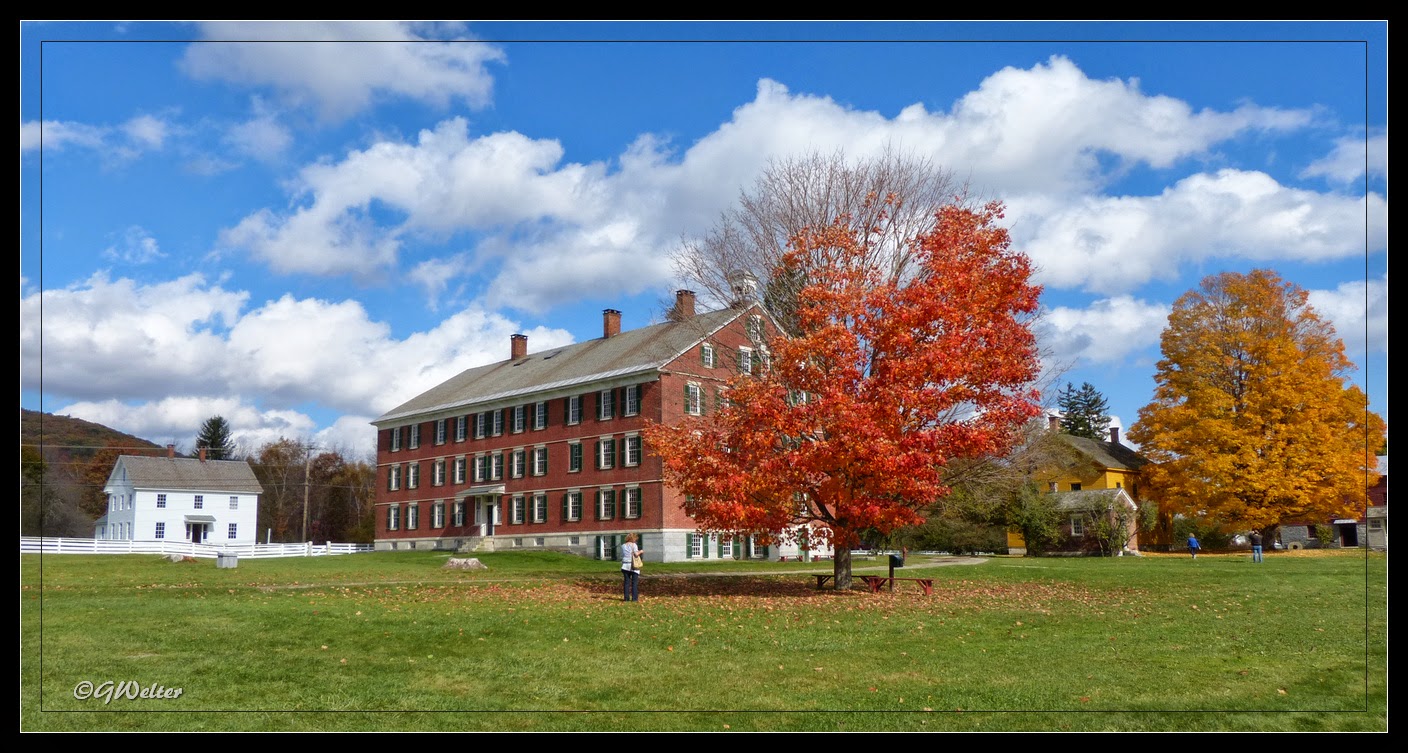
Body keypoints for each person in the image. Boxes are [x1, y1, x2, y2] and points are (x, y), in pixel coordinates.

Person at [620, 533, 642, 602]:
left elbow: (622, 555)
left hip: (625, 565)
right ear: (633, 539)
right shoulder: (634, 545)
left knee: (626, 582)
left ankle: (626, 598)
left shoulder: (623, 546)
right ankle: (634, 598)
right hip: (633, 565)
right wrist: (640, 551)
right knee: (634, 582)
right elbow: (636, 554)